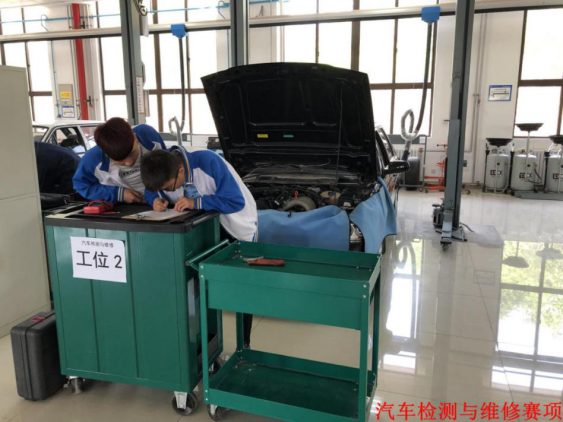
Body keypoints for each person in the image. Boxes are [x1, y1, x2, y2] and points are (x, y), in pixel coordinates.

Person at [140, 146, 258, 347]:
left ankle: (244, 344)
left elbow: (235, 202)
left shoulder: (209, 163)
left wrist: (196, 203)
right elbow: (151, 190)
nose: (169, 192)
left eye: (169, 188)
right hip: (202, 226)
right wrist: (155, 200)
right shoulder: (161, 167)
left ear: (181, 171)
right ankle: (207, 344)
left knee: (242, 287)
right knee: (199, 282)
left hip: (236, 225)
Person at [73, 117, 166, 203]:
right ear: (106, 154)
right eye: (121, 162)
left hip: (161, 200)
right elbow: (82, 186)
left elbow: (168, 167)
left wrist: (156, 196)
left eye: (132, 154)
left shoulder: (149, 136)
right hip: (124, 207)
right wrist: (118, 194)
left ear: (135, 137)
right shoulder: (92, 159)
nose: (129, 163)